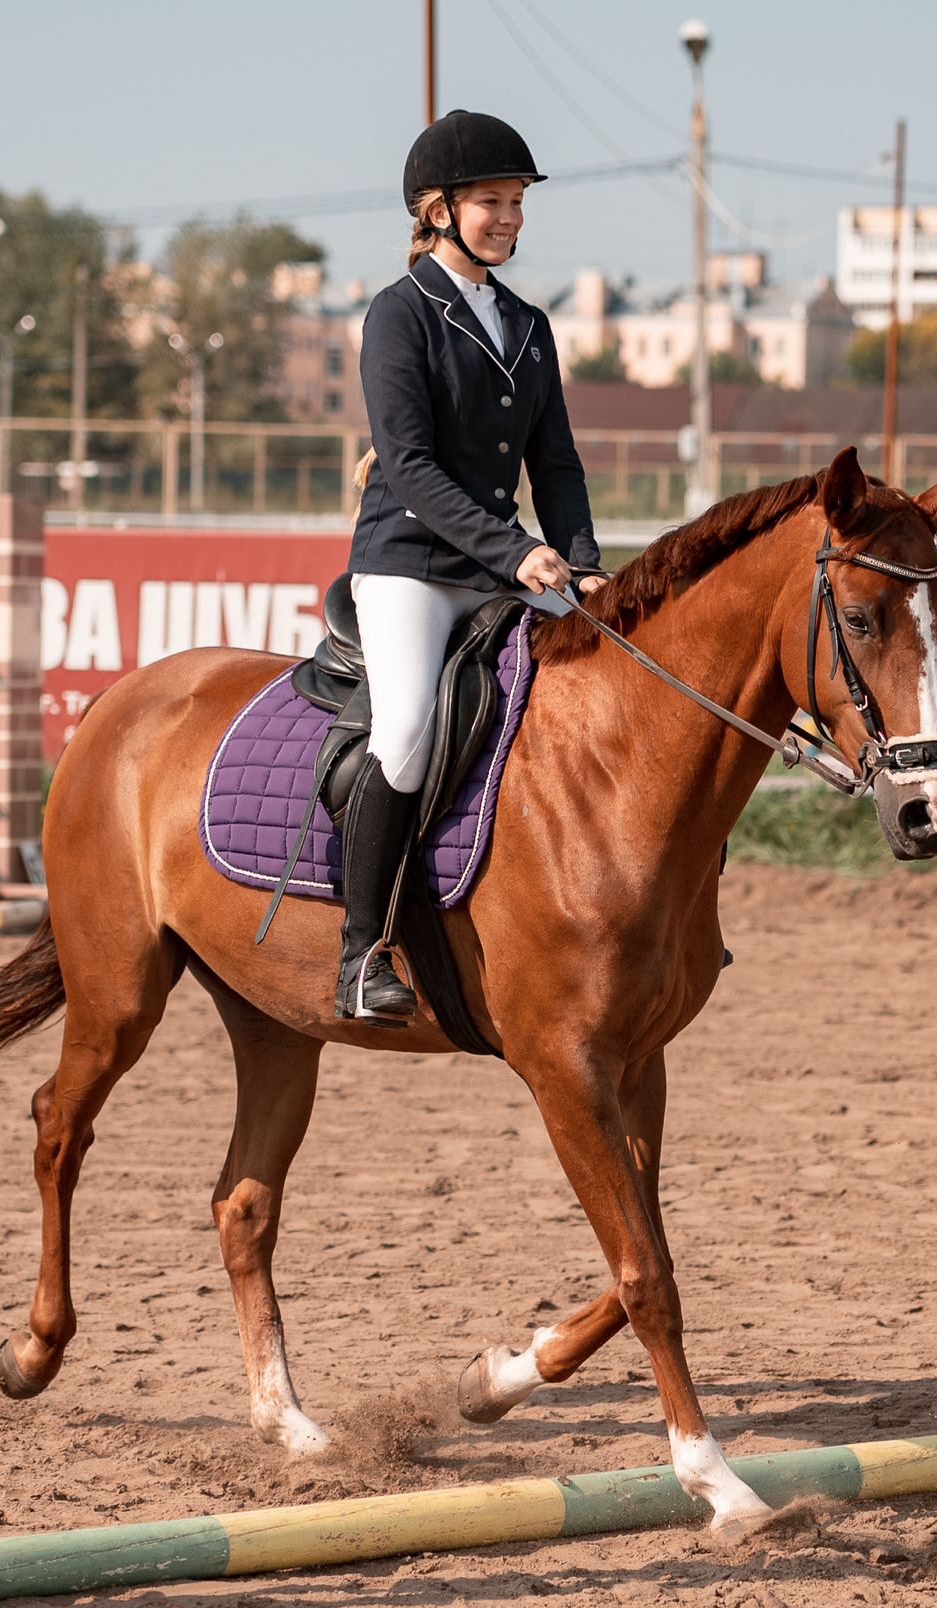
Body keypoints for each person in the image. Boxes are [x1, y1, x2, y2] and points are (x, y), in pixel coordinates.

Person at [334, 109, 604, 1025]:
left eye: (517, 202)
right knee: (407, 730)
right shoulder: (398, 315)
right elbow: (408, 467)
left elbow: (556, 465)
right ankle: (362, 947)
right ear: (437, 209)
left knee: (609, 693)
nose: (510, 219)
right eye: (492, 201)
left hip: (505, 566)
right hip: (411, 564)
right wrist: (516, 550)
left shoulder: (527, 325)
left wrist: (585, 564)